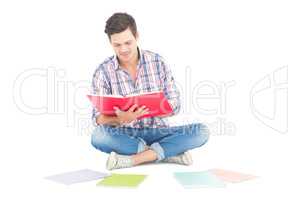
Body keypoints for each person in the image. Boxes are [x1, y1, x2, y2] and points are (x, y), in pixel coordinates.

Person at [90, 13, 209, 170]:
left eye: (128, 42)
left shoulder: (157, 62)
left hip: (159, 131)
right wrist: (121, 119)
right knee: (98, 136)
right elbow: (97, 119)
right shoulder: (103, 71)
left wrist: (153, 109)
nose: (123, 49)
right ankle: (167, 153)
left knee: (201, 132)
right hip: (126, 135)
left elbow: (175, 105)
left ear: (137, 36)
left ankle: (134, 160)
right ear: (110, 42)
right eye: (117, 45)